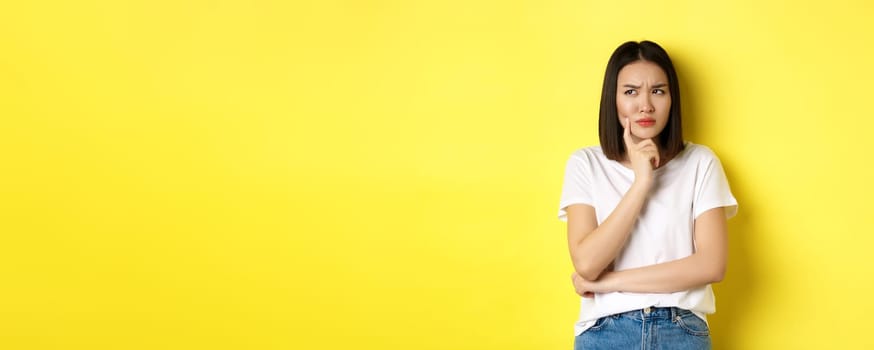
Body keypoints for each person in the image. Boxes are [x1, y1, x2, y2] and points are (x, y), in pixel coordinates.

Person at [557, 40, 738, 349]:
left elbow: (711, 265)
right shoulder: (585, 163)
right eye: (630, 92)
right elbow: (587, 263)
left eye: (658, 91)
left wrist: (610, 282)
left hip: (681, 330)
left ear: (672, 99)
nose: (645, 105)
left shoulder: (700, 162)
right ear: (612, 100)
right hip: (605, 332)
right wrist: (642, 182)